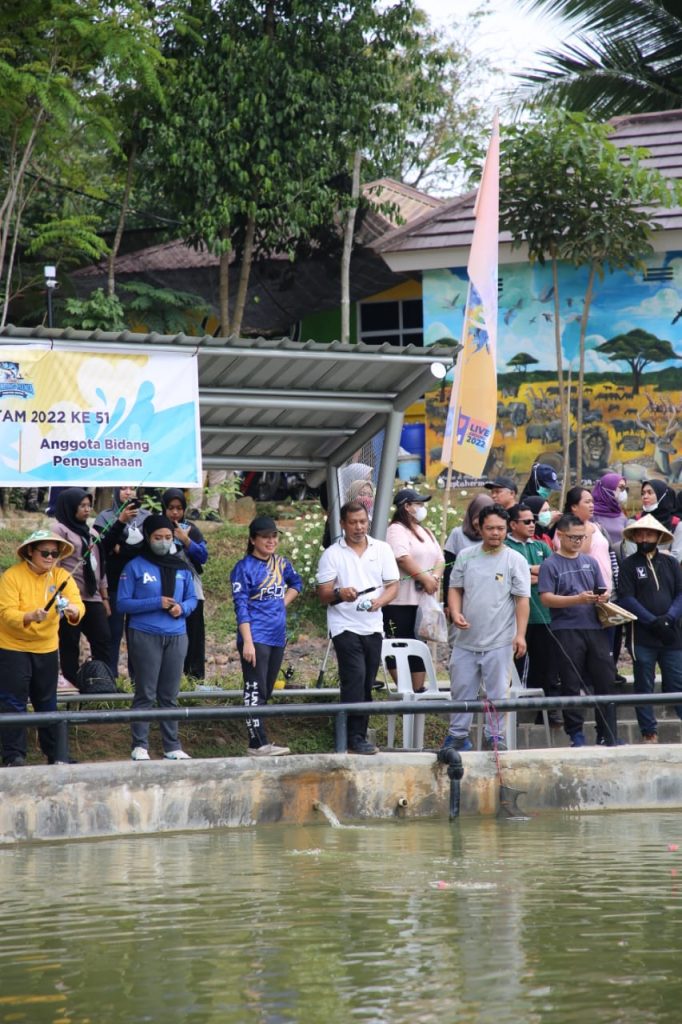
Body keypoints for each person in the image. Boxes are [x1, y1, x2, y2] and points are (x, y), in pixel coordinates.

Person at [440, 504, 530, 753]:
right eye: (490, 528)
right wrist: (456, 612)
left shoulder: (515, 560)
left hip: (499, 640)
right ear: (479, 527)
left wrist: (520, 635)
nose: (495, 533)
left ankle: (494, 736)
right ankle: (458, 735)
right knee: (461, 690)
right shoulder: (466, 555)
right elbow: (455, 588)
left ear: (508, 528)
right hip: (465, 639)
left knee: (497, 693)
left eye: (500, 528)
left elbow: (522, 600)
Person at [316, 500, 399, 755]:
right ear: (342, 524)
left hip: (373, 626)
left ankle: (355, 733)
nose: (358, 527)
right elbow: (323, 594)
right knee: (354, 677)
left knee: (366, 682)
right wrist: (341, 593)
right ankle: (353, 737)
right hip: (344, 626)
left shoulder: (382, 549)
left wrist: (379, 602)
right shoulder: (332, 553)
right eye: (352, 522)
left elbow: (393, 586)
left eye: (362, 522)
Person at [0, 529, 84, 767]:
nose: (50, 558)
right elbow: (5, 612)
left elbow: (77, 604)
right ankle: (14, 756)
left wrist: (75, 611)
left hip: (46, 648)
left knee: (46, 701)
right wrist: (28, 616)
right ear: (30, 552)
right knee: (13, 702)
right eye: (44, 553)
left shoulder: (62, 576)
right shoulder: (12, 576)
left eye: (55, 554)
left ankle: (56, 754)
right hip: (11, 647)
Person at [117, 515, 197, 761]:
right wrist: (157, 602)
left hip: (176, 635)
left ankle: (172, 746)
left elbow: (193, 599)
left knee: (169, 695)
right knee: (146, 693)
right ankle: (139, 744)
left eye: (168, 538)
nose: (163, 542)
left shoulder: (182, 567)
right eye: (157, 538)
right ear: (148, 537)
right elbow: (122, 603)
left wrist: (181, 608)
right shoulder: (135, 566)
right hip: (145, 634)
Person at [538, 514, 619, 747]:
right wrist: (577, 599)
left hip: (594, 626)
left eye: (582, 537)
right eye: (573, 537)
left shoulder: (590, 562)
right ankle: (576, 735)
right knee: (571, 681)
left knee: (605, 678)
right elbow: (546, 599)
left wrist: (601, 596)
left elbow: (599, 589)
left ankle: (608, 732)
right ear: (561, 536)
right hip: (566, 628)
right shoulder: (550, 564)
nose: (578, 542)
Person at [230, 516, 302, 756]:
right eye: (265, 537)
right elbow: (240, 607)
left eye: (274, 536)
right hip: (255, 636)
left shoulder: (281, 563)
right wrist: (247, 642)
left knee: (266, 690)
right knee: (254, 689)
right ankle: (257, 743)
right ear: (253, 540)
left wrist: (283, 602)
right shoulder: (243, 568)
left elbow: (297, 583)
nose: (271, 541)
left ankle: (261, 741)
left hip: (277, 636)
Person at [617, 514, 682, 743]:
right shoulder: (628, 565)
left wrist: (669, 618)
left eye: (649, 533)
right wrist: (652, 621)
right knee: (643, 685)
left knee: (676, 682)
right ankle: (649, 732)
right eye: (641, 533)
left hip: (672, 635)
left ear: (658, 536)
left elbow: (680, 594)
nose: (645, 537)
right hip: (642, 636)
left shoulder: (671, 563)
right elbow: (626, 598)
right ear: (634, 536)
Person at [505, 503, 562, 727]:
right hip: (515, 618)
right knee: (516, 668)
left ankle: (548, 712)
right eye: (526, 521)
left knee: (547, 666)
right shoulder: (505, 547)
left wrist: (527, 572)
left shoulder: (540, 545)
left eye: (533, 521)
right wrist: (532, 571)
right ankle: (514, 714)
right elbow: (510, 574)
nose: (532, 525)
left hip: (544, 616)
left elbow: (553, 570)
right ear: (513, 524)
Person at [383, 488, 444, 693]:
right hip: (399, 600)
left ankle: (417, 689)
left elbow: (440, 558)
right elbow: (401, 556)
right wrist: (424, 578)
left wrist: (433, 578)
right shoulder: (396, 529)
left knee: (419, 644)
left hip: (422, 601)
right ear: (406, 507)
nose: (421, 508)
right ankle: (404, 690)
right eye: (418, 504)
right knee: (398, 645)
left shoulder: (425, 531)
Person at [50, 488, 111, 686]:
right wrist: (57, 597)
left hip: (92, 598)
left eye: (89, 505)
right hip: (70, 598)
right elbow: (54, 565)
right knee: (69, 643)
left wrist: (105, 597)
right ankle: (72, 685)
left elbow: (99, 565)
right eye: (82, 506)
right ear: (69, 507)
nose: (87, 510)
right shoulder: (60, 530)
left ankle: (102, 682)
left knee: (103, 639)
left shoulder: (90, 531)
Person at [94, 487, 149, 677]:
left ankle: (138, 681)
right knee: (113, 634)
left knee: (137, 635)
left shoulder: (146, 517)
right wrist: (120, 522)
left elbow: (146, 549)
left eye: (132, 487)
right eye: (123, 487)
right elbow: (102, 547)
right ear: (116, 490)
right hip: (114, 583)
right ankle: (110, 681)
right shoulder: (104, 517)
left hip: (140, 585)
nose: (128, 492)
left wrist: (120, 549)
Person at [162, 488, 208, 680]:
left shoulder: (190, 528)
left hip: (191, 591)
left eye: (179, 508)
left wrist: (186, 540)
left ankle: (194, 679)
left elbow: (203, 556)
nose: (175, 513)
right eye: (171, 508)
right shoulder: (158, 528)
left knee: (194, 636)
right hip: (165, 590)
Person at [443, 492, 493, 595]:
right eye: (478, 517)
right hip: (461, 593)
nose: (481, 522)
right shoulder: (457, 534)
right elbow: (449, 569)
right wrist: (447, 602)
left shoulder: (494, 535)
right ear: (472, 514)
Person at [624, 480, 682, 561]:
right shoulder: (634, 522)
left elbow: (676, 558)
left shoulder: (677, 524)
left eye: (650, 493)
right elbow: (631, 557)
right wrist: (663, 553)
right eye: (643, 493)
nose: (645, 496)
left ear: (662, 495)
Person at [592, 472, 629, 548]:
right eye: (621, 487)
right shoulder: (591, 514)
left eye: (624, 488)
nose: (623, 492)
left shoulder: (620, 514)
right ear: (609, 488)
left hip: (617, 557)